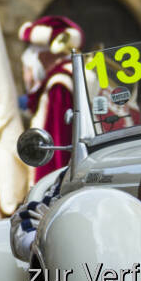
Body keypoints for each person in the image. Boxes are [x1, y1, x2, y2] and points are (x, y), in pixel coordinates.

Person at [19, 15, 83, 180]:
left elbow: (57, 148)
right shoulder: (77, 73)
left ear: (44, 55)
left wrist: (48, 188)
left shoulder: (59, 84)